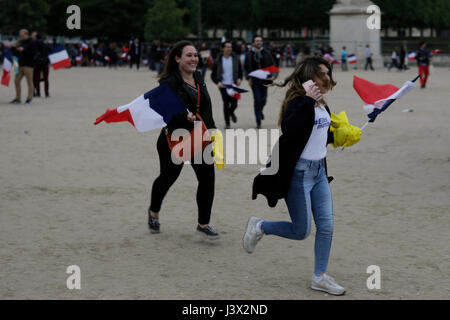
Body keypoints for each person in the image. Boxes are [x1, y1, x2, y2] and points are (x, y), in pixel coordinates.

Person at [243, 56, 361, 296]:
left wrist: (345, 134)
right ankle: (260, 226)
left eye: (328, 74)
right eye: (322, 74)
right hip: (298, 174)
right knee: (301, 231)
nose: (328, 78)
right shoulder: (298, 102)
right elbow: (292, 129)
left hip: (319, 172)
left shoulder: (321, 104)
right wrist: (308, 100)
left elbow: (321, 135)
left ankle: (320, 276)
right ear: (309, 77)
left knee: (326, 226)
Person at [148, 40, 220, 239]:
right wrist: (181, 117)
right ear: (177, 58)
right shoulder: (168, 82)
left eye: (195, 55)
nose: (194, 58)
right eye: (189, 55)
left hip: (198, 136)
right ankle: (153, 212)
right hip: (174, 138)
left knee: (207, 179)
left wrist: (211, 131)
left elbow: (206, 107)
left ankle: (203, 224)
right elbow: (161, 109)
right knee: (168, 178)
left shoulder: (198, 77)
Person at [244, 35, 277, 129]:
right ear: (253, 43)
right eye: (256, 41)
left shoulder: (267, 53)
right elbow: (246, 68)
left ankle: (260, 111)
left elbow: (273, 64)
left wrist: (274, 75)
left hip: (265, 79)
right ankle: (258, 120)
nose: (258, 42)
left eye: (260, 41)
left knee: (264, 99)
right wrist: (248, 77)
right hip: (254, 80)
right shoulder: (249, 54)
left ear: (262, 42)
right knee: (257, 100)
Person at [211, 40, 243, 129]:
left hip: (233, 85)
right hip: (223, 86)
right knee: (226, 104)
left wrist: (240, 78)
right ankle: (227, 123)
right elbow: (213, 75)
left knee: (234, 104)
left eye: (230, 47)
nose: (230, 48)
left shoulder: (235, 58)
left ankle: (231, 112)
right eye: (227, 47)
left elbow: (240, 71)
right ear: (223, 48)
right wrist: (218, 82)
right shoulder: (218, 60)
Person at [9, 29, 37, 105]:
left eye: (21, 33)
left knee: (30, 83)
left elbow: (33, 53)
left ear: (25, 33)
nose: (20, 34)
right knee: (16, 81)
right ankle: (18, 99)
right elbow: (15, 52)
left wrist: (23, 50)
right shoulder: (20, 42)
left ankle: (29, 99)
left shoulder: (32, 42)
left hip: (29, 65)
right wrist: (13, 47)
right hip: (19, 65)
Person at [32, 32, 50, 98]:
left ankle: (38, 93)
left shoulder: (34, 43)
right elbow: (50, 50)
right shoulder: (46, 43)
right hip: (45, 62)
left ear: (36, 37)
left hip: (37, 62)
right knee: (46, 79)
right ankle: (46, 93)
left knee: (36, 79)